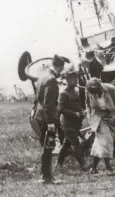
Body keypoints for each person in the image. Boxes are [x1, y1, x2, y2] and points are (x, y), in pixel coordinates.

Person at [34, 54, 65, 184]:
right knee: (49, 146)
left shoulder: (42, 76)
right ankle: (47, 177)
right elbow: (48, 103)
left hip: (39, 115)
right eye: (61, 69)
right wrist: (51, 122)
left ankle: (45, 175)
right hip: (47, 117)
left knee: (46, 146)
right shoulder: (52, 79)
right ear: (59, 67)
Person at [85, 78, 115, 174]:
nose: (95, 94)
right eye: (92, 92)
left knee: (100, 143)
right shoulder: (89, 91)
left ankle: (93, 168)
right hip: (98, 118)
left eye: (96, 92)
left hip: (112, 117)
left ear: (100, 87)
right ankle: (108, 167)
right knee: (106, 141)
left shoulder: (111, 89)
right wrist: (89, 116)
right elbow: (87, 104)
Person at [57, 69, 89, 171]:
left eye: (76, 79)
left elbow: (77, 106)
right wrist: (74, 113)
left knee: (66, 143)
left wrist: (82, 111)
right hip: (67, 123)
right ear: (66, 79)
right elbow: (60, 109)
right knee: (76, 144)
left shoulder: (76, 92)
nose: (74, 81)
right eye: (72, 79)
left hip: (76, 123)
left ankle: (59, 163)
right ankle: (84, 165)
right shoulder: (63, 93)